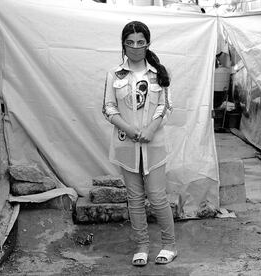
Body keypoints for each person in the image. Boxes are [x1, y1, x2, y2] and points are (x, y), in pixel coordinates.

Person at [102, 21, 177, 266]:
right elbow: (108, 107)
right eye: (130, 43)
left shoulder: (158, 73)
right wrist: (130, 129)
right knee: (134, 198)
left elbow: (165, 105)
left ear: (147, 44)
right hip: (127, 144)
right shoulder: (114, 74)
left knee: (157, 197)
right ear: (124, 45)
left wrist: (150, 128)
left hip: (153, 144)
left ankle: (169, 245)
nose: (135, 47)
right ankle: (142, 246)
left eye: (140, 42)